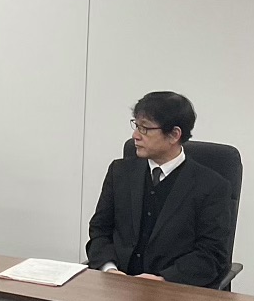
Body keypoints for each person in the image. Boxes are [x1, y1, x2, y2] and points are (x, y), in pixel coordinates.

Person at [86, 91, 231, 287]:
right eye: (136, 126)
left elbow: (211, 254)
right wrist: (109, 269)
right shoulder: (120, 172)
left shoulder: (212, 186)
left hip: (173, 292)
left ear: (174, 135)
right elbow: (100, 230)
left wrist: (164, 279)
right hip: (117, 286)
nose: (135, 135)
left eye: (145, 129)